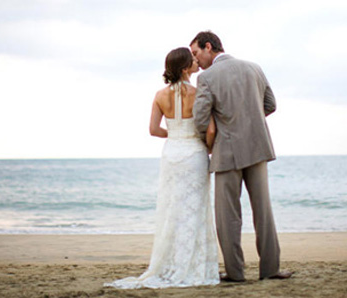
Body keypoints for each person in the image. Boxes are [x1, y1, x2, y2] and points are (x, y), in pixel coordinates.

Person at [104, 47, 219, 289]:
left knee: (172, 210)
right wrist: (206, 146)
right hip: (194, 153)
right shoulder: (198, 92)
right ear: (186, 67)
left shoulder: (159, 95)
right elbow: (210, 129)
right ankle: (193, 265)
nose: (197, 62)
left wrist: (176, 134)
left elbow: (154, 130)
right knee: (195, 210)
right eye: (193, 60)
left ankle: (168, 263)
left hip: (172, 153)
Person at [191, 31, 293, 282]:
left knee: (228, 217)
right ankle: (270, 269)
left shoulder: (207, 77)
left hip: (227, 151)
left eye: (196, 53)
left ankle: (235, 273)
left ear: (208, 47)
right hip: (258, 147)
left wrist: (216, 134)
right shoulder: (254, 68)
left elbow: (200, 119)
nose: (196, 61)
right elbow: (270, 104)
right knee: (264, 212)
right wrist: (250, 122)